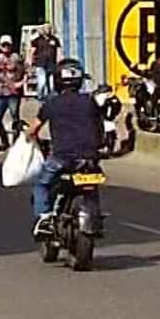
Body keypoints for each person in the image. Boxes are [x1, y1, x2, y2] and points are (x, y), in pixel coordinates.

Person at [27, 59, 102, 239]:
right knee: (92, 188)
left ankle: (44, 219)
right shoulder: (90, 101)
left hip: (63, 158)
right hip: (90, 158)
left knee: (41, 183)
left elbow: (33, 129)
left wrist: (28, 137)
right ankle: (95, 218)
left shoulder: (52, 104)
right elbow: (100, 126)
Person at [0, 36, 26, 153]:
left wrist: (21, 83)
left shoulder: (16, 58)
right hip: (1, 93)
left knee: (15, 119)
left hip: (13, 94)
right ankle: (4, 142)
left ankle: (15, 144)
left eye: (7, 45)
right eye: (3, 45)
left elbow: (26, 71)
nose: (5, 48)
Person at [30, 25, 60, 103]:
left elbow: (59, 51)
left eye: (49, 28)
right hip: (41, 64)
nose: (48, 30)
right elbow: (32, 51)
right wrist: (30, 61)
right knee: (42, 82)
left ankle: (50, 99)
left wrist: (59, 61)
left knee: (51, 84)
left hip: (51, 64)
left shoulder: (55, 40)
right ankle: (40, 97)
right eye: (46, 29)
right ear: (43, 30)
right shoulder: (37, 40)